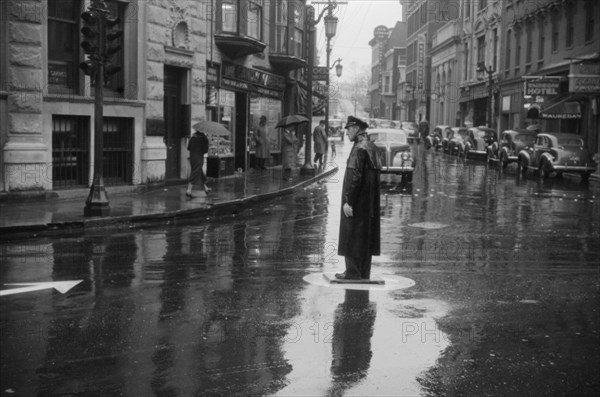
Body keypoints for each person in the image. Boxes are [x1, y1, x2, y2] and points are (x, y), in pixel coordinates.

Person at [336, 116, 382, 280]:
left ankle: (352, 272)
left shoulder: (358, 148)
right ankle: (363, 272)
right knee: (365, 237)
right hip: (368, 204)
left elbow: (354, 177)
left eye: (348, 129)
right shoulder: (371, 147)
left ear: (356, 128)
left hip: (357, 202)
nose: (347, 132)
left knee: (352, 234)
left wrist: (348, 201)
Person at [186, 125, 210, 198]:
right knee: (195, 172)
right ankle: (189, 190)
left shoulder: (192, 137)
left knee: (198, 171)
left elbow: (188, 148)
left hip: (192, 157)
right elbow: (205, 151)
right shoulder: (204, 138)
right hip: (199, 158)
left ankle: (206, 188)